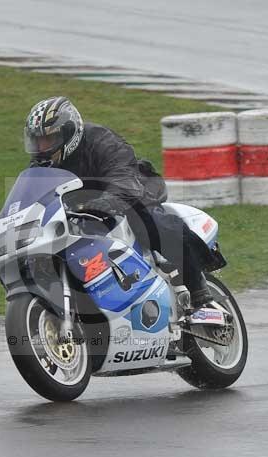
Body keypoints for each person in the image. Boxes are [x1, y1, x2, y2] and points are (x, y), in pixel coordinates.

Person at [23, 95, 221, 314]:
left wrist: (105, 202)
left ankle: (200, 293)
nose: (41, 148)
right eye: (37, 141)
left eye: (48, 141)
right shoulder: (40, 168)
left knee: (152, 222)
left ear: (69, 133)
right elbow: (32, 200)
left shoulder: (101, 140)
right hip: (80, 214)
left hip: (130, 193)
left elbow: (123, 178)